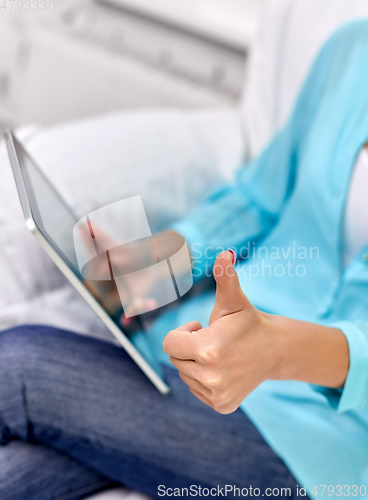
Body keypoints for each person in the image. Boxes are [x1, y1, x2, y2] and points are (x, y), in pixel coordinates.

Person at [1, 19, 368, 500]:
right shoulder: (352, 50)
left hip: (317, 449)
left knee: (18, 366)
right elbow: (259, 199)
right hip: (189, 356)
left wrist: (274, 349)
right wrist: (159, 265)